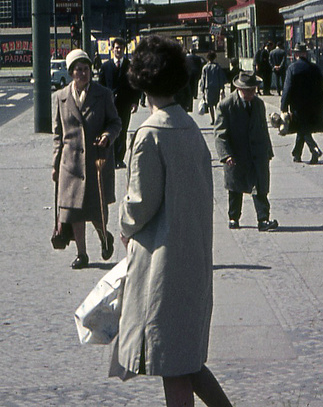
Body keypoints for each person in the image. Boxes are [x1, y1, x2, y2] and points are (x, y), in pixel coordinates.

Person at [111, 35, 233, 407]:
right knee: (188, 359)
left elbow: (139, 203)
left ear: (142, 83)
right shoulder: (190, 127)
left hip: (162, 264)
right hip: (193, 253)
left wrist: (124, 226)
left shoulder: (150, 133)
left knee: (173, 364)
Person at [52, 48, 121, 269]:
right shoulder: (61, 97)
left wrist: (107, 136)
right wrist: (55, 164)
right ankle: (82, 254)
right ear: (71, 73)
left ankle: (104, 236)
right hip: (70, 165)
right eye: (78, 70)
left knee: (96, 211)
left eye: (86, 69)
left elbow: (115, 123)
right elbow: (57, 135)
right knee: (75, 211)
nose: (83, 73)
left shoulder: (103, 94)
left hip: (95, 162)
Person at [214, 72, 278, 231]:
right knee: (235, 188)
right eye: (247, 91)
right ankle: (233, 218)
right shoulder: (226, 105)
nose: (250, 94)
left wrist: (268, 150)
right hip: (236, 154)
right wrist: (225, 154)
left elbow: (263, 128)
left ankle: (263, 220)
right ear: (238, 89)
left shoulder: (258, 104)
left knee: (260, 187)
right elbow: (220, 133)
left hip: (257, 153)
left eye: (253, 90)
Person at [280, 44, 323, 163]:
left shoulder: (292, 68)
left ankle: (314, 149)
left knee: (302, 127)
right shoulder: (315, 68)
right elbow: (322, 88)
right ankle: (297, 154)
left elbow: (287, 88)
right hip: (314, 105)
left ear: (295, 54)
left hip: (298, 105)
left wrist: (284, 106)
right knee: (303, 128)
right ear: (305, 53)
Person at [98, 37, 140, 167]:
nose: (119, 50)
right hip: (109, 104)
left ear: (124, 50)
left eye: (121, 48)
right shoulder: (106, 66)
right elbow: (101, 85)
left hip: (124, 104)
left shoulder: (130, 66)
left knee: (122, 130)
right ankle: (111, 157)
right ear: (112, 49)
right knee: (109, 130)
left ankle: (119, 159)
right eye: (116, 48)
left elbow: (135, 85)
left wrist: (135, 102)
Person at [198, 52, 225, 124]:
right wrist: (222, 88)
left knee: (210, 105)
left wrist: (202, 89)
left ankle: (213, 119)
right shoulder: (217, 67)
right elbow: (221, 78)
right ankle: (217, 118)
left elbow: (203, 79)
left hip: (208, 88)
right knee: (216, 104)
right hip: (216, 87)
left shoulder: (205, 67)